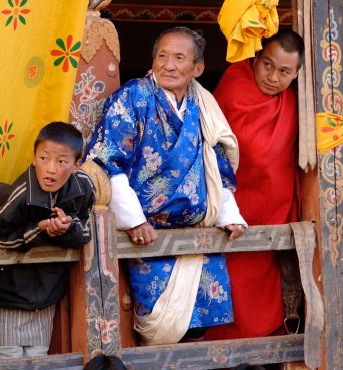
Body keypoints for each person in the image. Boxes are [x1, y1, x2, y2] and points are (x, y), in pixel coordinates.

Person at [86, 26, 247, 345]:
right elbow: (106, 159)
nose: (169, 65)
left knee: (199, 330)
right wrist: (135, 220)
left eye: (179, 58)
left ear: (197, 68)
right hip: (150, 237)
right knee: (159, 328)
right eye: (162, 56)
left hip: (200, 236)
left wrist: (228, 214)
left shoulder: (203, 105)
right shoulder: (133, 96)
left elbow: (216, 165)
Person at [205, 29, 305, 342]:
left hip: (276, 212)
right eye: (267, 65)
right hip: (233, 210)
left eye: (285, 71)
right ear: (256, 59)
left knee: (269, 291)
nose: (273, 77)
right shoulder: (234, 87)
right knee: (230, 289)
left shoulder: (295, 102)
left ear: (297, 74)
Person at [0, 121, 95, 360]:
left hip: (44, 294)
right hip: (4, 296)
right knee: (7, 359)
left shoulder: (83, 187)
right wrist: (38, 230)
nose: (50, 169)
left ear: (76, 165)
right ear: (33, 158)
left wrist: (68, 227)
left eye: (61, 162)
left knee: (39, 359)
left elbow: (87, 228)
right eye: (44, 158)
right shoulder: (21, 193)